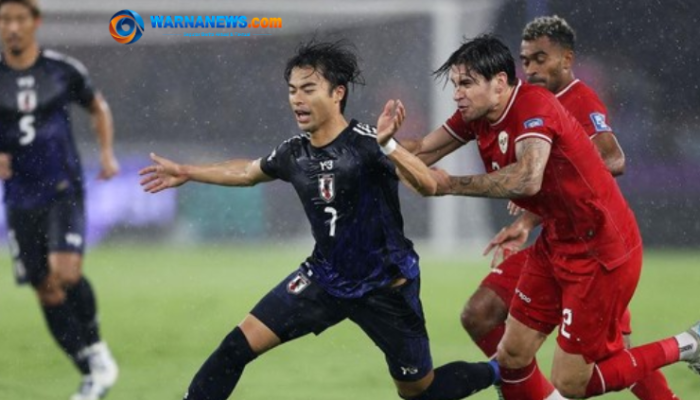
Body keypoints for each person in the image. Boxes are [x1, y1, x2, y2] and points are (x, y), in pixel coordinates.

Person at [139, 40, 498, 400]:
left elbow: (428, 185)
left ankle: (500, 371)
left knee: (420, 392)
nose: (297, 99)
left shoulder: (369, 143)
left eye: (308, 89)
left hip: (385, 289)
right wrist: (187, 171)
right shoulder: (293, 152)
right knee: (235, 348)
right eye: (293, 90)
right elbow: (246, 172)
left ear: (337, 93)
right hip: (324, 279)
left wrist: (390, 145)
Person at [391, 34, 699, 399]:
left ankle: (688, 343)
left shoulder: (533, 105)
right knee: (511, 354)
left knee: (574, 381)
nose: (457, 93)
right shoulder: (476, 114)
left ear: (500, 82)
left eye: (466, 84)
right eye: (456, 84)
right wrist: (383, 145)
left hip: (601, 247)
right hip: (557, 241)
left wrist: (448, 185)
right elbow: (422, 152)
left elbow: (527, 177)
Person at [456, 16, 679, 400]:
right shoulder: (517, 101)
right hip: (553, 243)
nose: (532, 69)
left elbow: (613, 159)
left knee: (606, 358)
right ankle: (533, 389)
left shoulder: (580, 99)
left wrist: (550, 176)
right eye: (526, 60)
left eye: (541, 59)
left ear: (567, 59)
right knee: (480, 312)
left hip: (596, 244)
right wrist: (531, 216)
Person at [0, 1, 119, 399]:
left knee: (65, 273)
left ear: (35, 23)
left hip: (62, 188)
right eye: (4, 20)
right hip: (19, 196)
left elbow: (97, 106)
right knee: (45, 288)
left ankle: (98, 349)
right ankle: (89, 370)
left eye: (19, 19)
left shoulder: (62, 70)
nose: (12, 27)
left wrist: (106, 154)